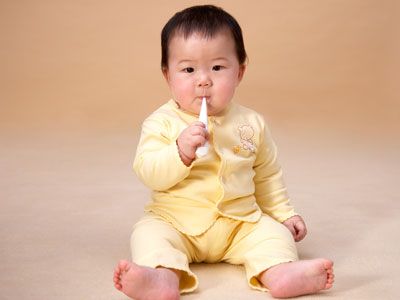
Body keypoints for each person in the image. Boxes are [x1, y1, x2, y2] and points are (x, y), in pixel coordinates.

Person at [113, 5, 334, 300]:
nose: (203, 80)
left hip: (239, 223)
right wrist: (179, 151)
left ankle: (280, 272)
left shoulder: (251, 123)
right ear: (168, 75)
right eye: (188, 69)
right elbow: (149, 171)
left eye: (217, 68)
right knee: (148, 234)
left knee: (273, 235)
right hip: (176, 221)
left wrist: (283, 213)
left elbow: (267, 174)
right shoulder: (161, 122)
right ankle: (162, 277)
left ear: (240, 71)